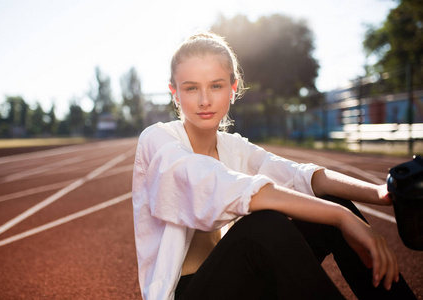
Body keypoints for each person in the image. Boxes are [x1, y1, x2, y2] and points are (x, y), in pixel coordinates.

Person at [132, 31, 417, 300]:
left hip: (242, 286)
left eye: (216, 86)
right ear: (175, 92)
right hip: (189, 292)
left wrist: (380, 193)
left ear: (233, 88)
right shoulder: (158, 140)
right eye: (191, 88)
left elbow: (299, 176)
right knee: (264, 228)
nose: (205, 100)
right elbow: (213, 184)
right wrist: (342, 218)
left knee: (329, 200)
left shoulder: (232, 146)